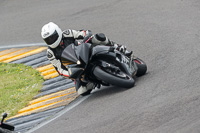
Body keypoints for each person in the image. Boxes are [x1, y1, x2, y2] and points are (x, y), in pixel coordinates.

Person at [41, 22, 131, 95]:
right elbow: (59, 69)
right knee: (82, 91)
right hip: (76, 66)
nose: (51, 41)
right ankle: (95, 81)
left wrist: (87, 35)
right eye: (48, 40)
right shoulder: (50, 53)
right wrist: (70, 74)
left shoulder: (67, 33)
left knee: (98, 38)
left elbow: (83, 33)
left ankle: (117, 47)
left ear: (58, 32)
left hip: (83, 52)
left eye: (52, 37)